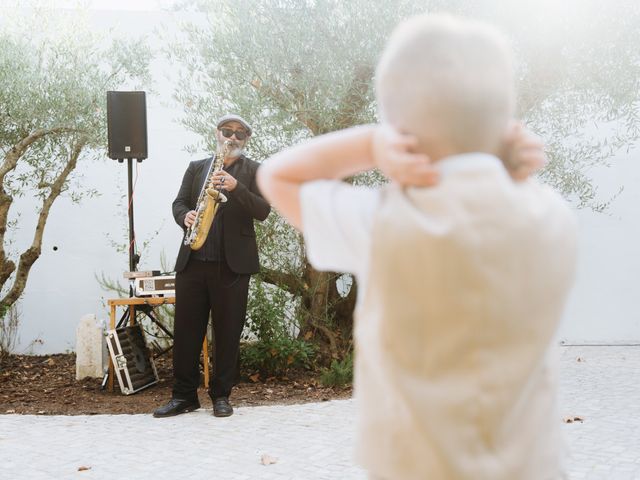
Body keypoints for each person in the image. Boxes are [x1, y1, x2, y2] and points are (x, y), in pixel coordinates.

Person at [257, 14, 577, 480]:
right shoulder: (552, 217)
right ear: (504, 118)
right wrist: (502, 155)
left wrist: (371, 144)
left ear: (400, 131)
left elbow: (277, 176)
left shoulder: (383, 223)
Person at [154, 114, 270, 418]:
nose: (232, 137)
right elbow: (179, 203)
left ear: (246, 140)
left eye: (239, 134)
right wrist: (185, 217)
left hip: (232, 267)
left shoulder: (255, 171)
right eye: (226, 131)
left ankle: (221, 396)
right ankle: (183, 396)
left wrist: (236, 187)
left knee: (227, 334)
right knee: (186, 332)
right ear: (217, 134)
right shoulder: (197, 167)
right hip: (193, 261)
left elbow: (263, 210)